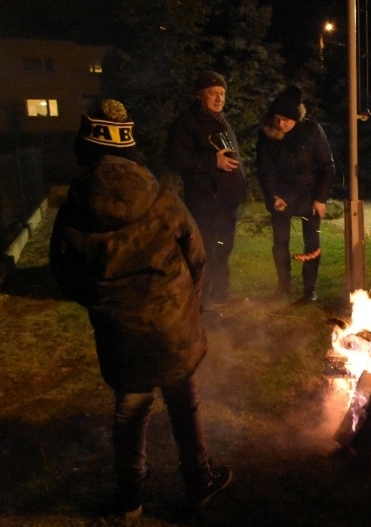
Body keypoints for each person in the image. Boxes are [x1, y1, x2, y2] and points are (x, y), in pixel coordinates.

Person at [49, 100, 233, 519]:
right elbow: (197, 255)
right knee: (183, 402)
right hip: (172, 324)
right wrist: (187, 303)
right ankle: (198, 481)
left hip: (120, 328)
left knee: (130, 411)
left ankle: (129, 497)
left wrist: (102, 302)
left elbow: (64, 271)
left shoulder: (75, 207)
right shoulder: (162, 197)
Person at [166, 70, 247, 309]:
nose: (219, 98)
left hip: (227, 200)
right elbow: (175, 158)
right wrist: (213, 161)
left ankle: (221, 294)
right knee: (206, 251)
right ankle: (202, 300)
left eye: (222, 93)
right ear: (199, 95)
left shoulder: (220, 121)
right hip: (206, 202)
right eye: (213, 93)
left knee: (223, 250)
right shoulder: (186, 123)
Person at [255, 85, 335, 303]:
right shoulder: (267, 134)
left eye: (287, 120)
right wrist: (273, 195)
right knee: (280, 242)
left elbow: (327, 166)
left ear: (296, 118)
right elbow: (264, 169)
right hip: (281, 196)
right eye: (278, 119)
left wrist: (320, 198)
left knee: (311, 243)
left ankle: (309, 290)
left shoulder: (311, 130)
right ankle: (284, 286)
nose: (281, 124)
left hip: (309, 194)